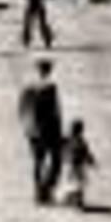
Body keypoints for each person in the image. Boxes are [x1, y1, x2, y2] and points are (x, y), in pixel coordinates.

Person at [17, 59, 65, 204]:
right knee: (56, 160)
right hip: (49, 129)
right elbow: (54, 111)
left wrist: (27, 127)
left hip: (32, 129)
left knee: (38, 161)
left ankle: (38, 192)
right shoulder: (51, 87)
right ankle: (47, 189)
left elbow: (21, 108)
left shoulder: (28, 87)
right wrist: (58, 131)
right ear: (49, 70)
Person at [60, 119, 98, 209]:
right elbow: (86, 153)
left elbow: (61, 150)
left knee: (73, 182)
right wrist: (91, 161)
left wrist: (63, 158)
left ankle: (72, 199)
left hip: (72, 165)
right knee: (78, 183)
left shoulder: (68, 140)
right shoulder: (80, 141)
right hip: (76, 165)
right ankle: (74, 199)